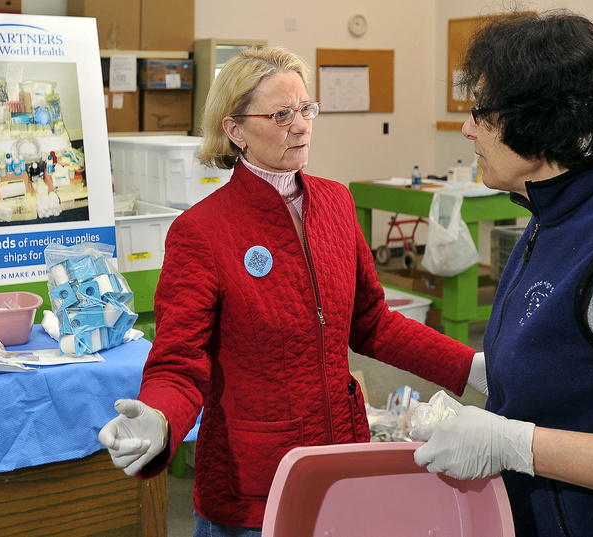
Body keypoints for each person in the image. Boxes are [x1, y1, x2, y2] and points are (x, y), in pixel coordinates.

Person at [99, 45, 483, 535]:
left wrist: (468, 364)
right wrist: (161, 417)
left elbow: (372, 323)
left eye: (306, 109)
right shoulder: (202, 231)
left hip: (340, 463)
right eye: (281, 115)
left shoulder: (336, 202)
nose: (301, 125)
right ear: (234, 130)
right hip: (254, 487)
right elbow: (179, 362)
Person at [409, 10, 593, 537]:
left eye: (480, 112)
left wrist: (512, 443)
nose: (465, 128)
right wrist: (504, 369)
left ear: (541, 118)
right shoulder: (548, 211)